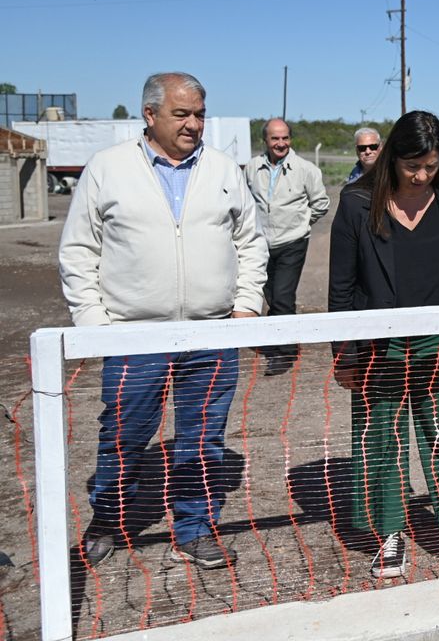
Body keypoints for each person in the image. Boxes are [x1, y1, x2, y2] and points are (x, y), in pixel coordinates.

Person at [59, 72, 268, 570]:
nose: (194, 124)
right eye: (182, 114)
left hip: (213, 331)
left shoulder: (222, 168)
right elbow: (78, 250)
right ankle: (108, 519)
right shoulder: (108, 169)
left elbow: (250, 242)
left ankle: (194, 529)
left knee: (203, 436)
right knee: (124, 433)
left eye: (200, 113)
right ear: (149, 115)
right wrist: (95, 323)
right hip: (134, 335)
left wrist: (245, 306)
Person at [328, 110, 439, 578]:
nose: (422, 176)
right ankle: (390, 532)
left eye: (431, 166)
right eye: (411, 167)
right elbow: (340, 286)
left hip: (437, 338)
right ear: (391, 159)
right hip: (379, 344)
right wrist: (345, 354)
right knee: (382, 439)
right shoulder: (357, 203)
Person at [246, 118, 330, 375]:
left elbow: (321, 204)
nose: (280, 143)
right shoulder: (251, 168)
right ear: (266, 141)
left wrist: (302, 224)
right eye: (275, 138)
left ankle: (284, 353)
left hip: (292, 242)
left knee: (282, 297)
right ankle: (279, 339)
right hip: (262, 243)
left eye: (285, 138)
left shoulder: (306, 170)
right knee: (269, 295)